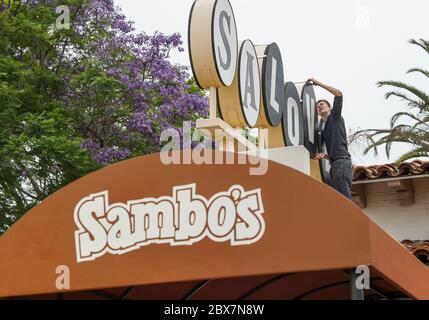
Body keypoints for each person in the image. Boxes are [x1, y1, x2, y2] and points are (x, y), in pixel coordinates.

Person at [308, 78, 353, 200]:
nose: (319, 107)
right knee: (340, 200)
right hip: (336, 163)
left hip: (342, 163)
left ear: (330, 107)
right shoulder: (324, 129)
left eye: (322, 104)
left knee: (345, 200)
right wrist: (325, 155)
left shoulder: (335, 116)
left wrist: (318, 83)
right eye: (317, 107)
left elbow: (339, 93)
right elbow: (335, 148)